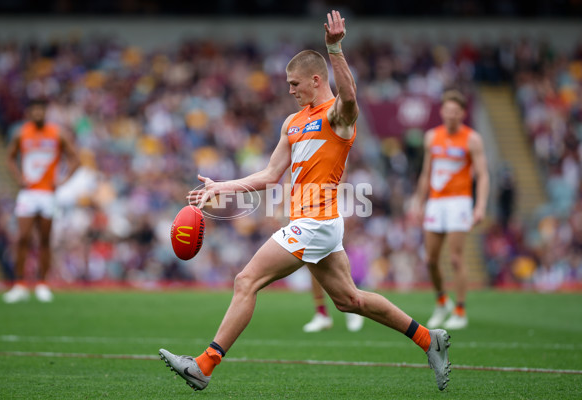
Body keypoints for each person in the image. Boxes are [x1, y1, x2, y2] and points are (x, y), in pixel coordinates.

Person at [159, 10, 451, 392]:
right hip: (313, 225)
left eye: (295, 83)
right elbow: (268, 176)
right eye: (287, 84)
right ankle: (431, 340)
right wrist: (222, 186)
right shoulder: (292, 122)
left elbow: (349, 96)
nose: (290, 90)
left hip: (317, 223)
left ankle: (204, 365)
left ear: (316, 80)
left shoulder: (336, 117)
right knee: (349, 300)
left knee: (246, 280)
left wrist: (335, 48)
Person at [412, 89, 489, 330]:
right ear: (442, 111)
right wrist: (418, 200)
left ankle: (460, 309)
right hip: (436, 202)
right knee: (431, 259)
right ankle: (442, 301)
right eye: (447, 111)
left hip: (459, 202)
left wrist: (480, 205)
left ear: (463, 113)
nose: (451, 115)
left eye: (456, 112)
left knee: (455, 258)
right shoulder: (432, 137)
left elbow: (483, 175)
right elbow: (427, 172)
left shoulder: (472, 139)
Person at [2, 98, 80, 303]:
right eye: (34, 109)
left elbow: (75, 158)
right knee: (23, 237)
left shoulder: (57, 133)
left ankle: (42, 284)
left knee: (45, 240)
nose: (37, 113)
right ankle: (19, 284)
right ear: (29, 112)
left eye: (40, 110)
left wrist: (62, 180)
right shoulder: (21, 133)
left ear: (45, 112)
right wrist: (18, 177)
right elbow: (9, 157)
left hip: (47, 194)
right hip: (28, 193)